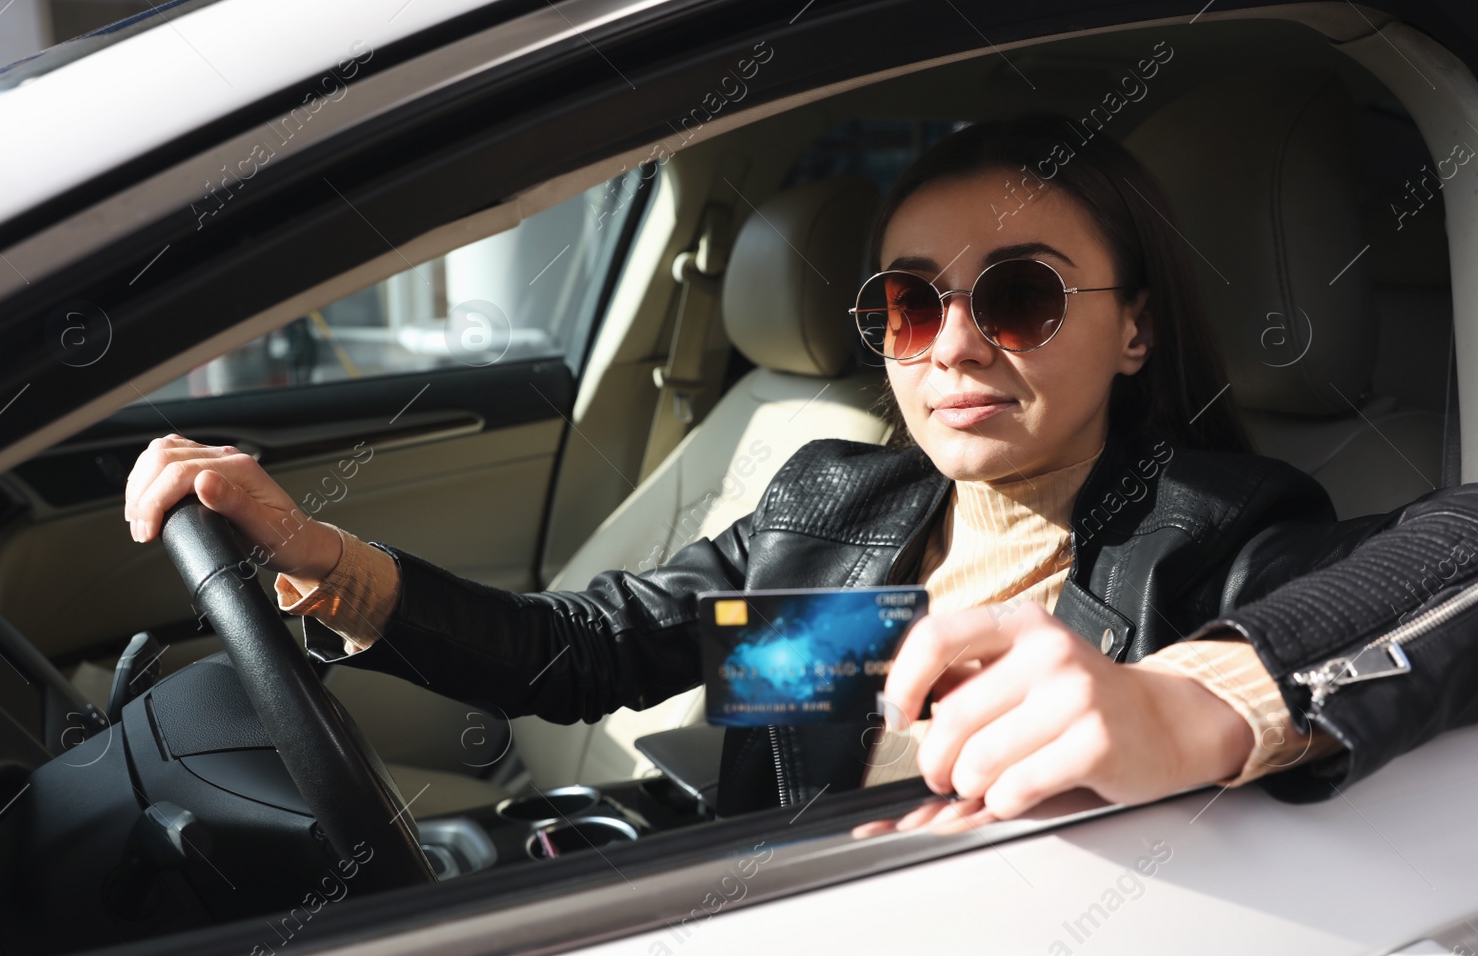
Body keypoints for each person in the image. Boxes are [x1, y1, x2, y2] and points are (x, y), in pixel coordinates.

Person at [123, 114, 1478, 824]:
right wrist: (323, 560)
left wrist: (1191, 702)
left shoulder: (1222, 539)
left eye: (1017, 296)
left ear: (1133, 329)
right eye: (909, 302)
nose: (953, 343)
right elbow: (576, 657)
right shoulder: (836, 503)